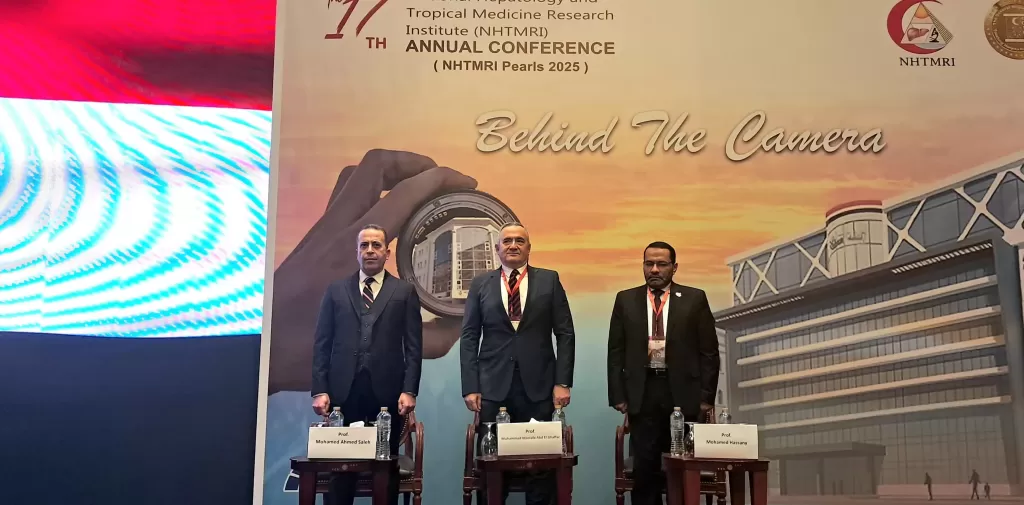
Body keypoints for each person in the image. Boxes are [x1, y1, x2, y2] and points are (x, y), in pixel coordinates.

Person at [460, 222, 576, 505]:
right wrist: (470, 386)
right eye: (507, 241)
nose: (513, 245)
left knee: (540, 465)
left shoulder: (549, 280)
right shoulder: (481, 284)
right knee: (491, 463)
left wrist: (562, 382)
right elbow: (470, 336)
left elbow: (565, 333)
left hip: (539, 386)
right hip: (492, 386)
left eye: (520, 241)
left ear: (529, 248)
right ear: (497, 248)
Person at [310, 224, 424, 505]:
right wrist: (320, 389)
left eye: (376, 245)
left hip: (387, 393)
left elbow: (413, 346)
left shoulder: (404, 291)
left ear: (387, 253)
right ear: (357, 252)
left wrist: (409, 390)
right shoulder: (336, 291)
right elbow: (322, 343)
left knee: (385, 468)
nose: (370, 251)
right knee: (340, 469)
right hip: (343, 393)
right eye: (364, 246)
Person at [606, 241, 720, 505]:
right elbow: (615, 351)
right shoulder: (625, 299)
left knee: (680, 468)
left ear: (674, 267)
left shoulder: (694, 298)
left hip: (682, 393)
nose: (654, 269)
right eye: (649, 264)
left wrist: (706, 398)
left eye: (661, 264)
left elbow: (709, 352)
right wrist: (618, 395)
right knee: (645, 470)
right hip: (643, 392)